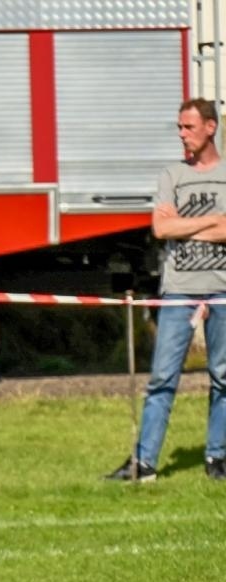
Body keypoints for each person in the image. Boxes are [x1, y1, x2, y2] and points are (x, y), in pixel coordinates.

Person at [106, 98, 226, 482]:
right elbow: (161, 230)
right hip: (178, 291)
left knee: (223, 377)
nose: (181, 134)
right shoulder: (171, 175)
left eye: (188, 127)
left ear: (211, 127)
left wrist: (184, 223)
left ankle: (217, 459)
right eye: (179, 127)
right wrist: (212, 223)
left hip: (222, 290)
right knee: (161, 379)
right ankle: (145, 463)